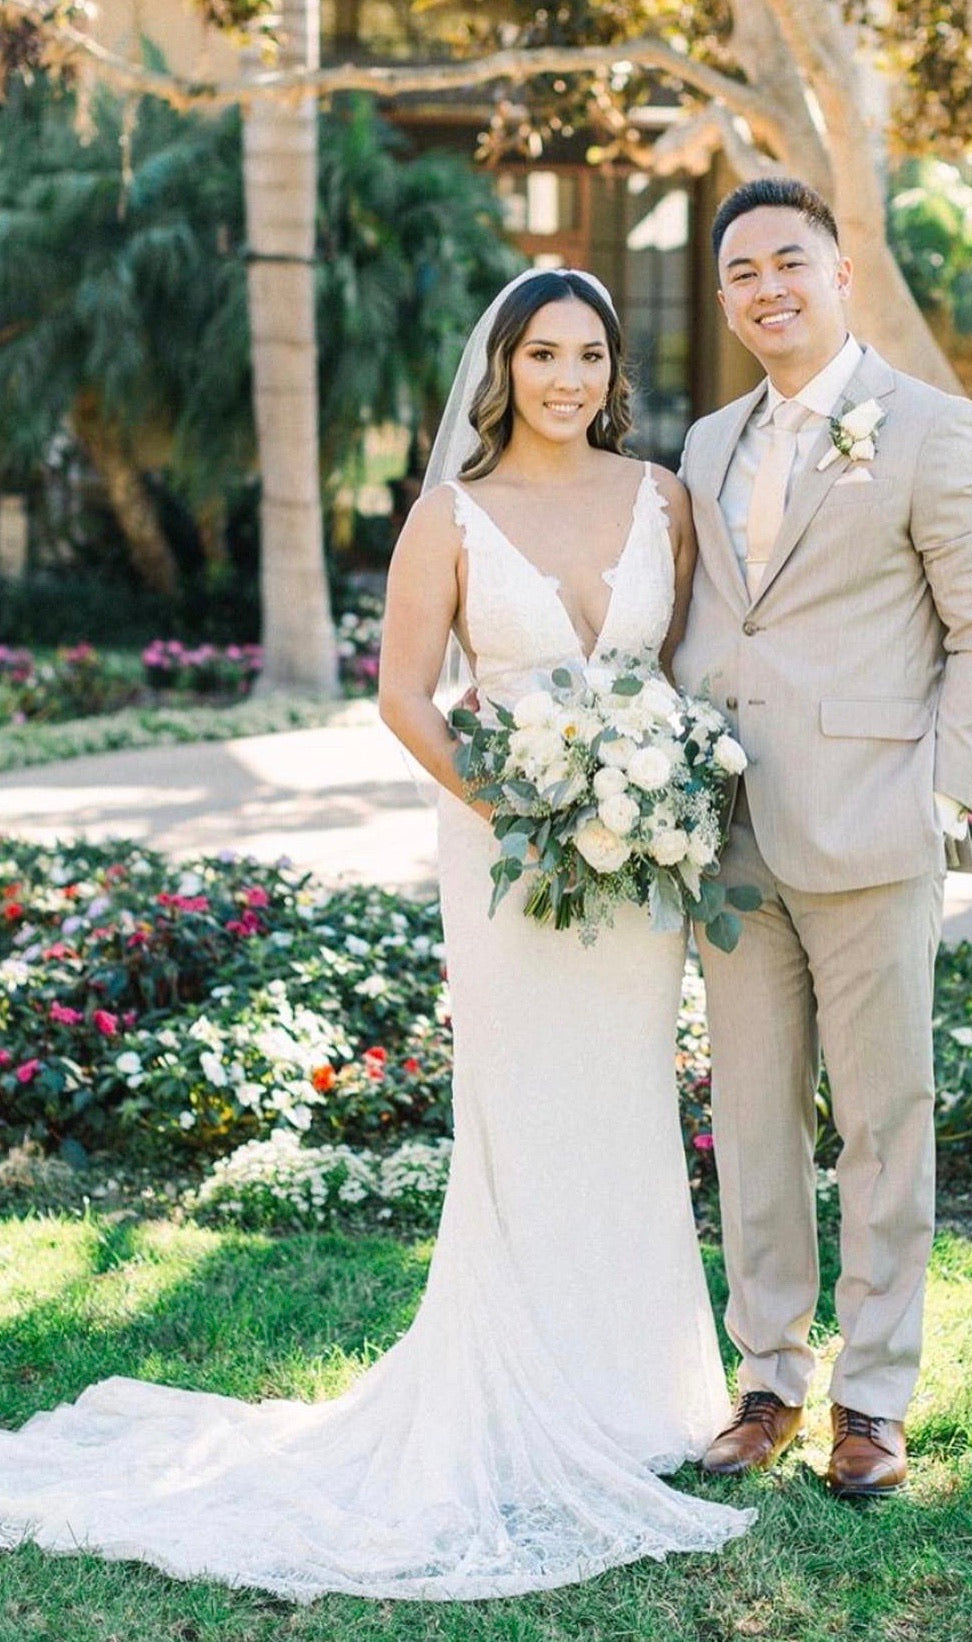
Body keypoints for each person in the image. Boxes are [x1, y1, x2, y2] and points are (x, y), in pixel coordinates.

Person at [0, 269, 753, 1600]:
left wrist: (660, 783)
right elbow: (405, 698)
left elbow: (682, 672)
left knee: (628, 1103)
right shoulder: (447, 516)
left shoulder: (664, 500)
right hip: (511, 855)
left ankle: (642, 1395)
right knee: (523, 1113)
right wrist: (522, 807)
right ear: (502, 369)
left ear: (613, 370)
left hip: (638, 861)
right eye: (543, 355)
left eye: (590, 354)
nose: (569, 379)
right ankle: (523, 1394)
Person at [673, 178, 972, 1499]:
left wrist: (942, 796)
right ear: (727, 300)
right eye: (743, 273)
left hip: (876, 826)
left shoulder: (933, 428)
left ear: (838, 276)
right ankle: (768, 1379)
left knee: (884, 1123)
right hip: (728, 833)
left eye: (790, 263)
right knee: (752, 1117)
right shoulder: (707, 443)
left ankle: (872, 1399)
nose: (767, 289)